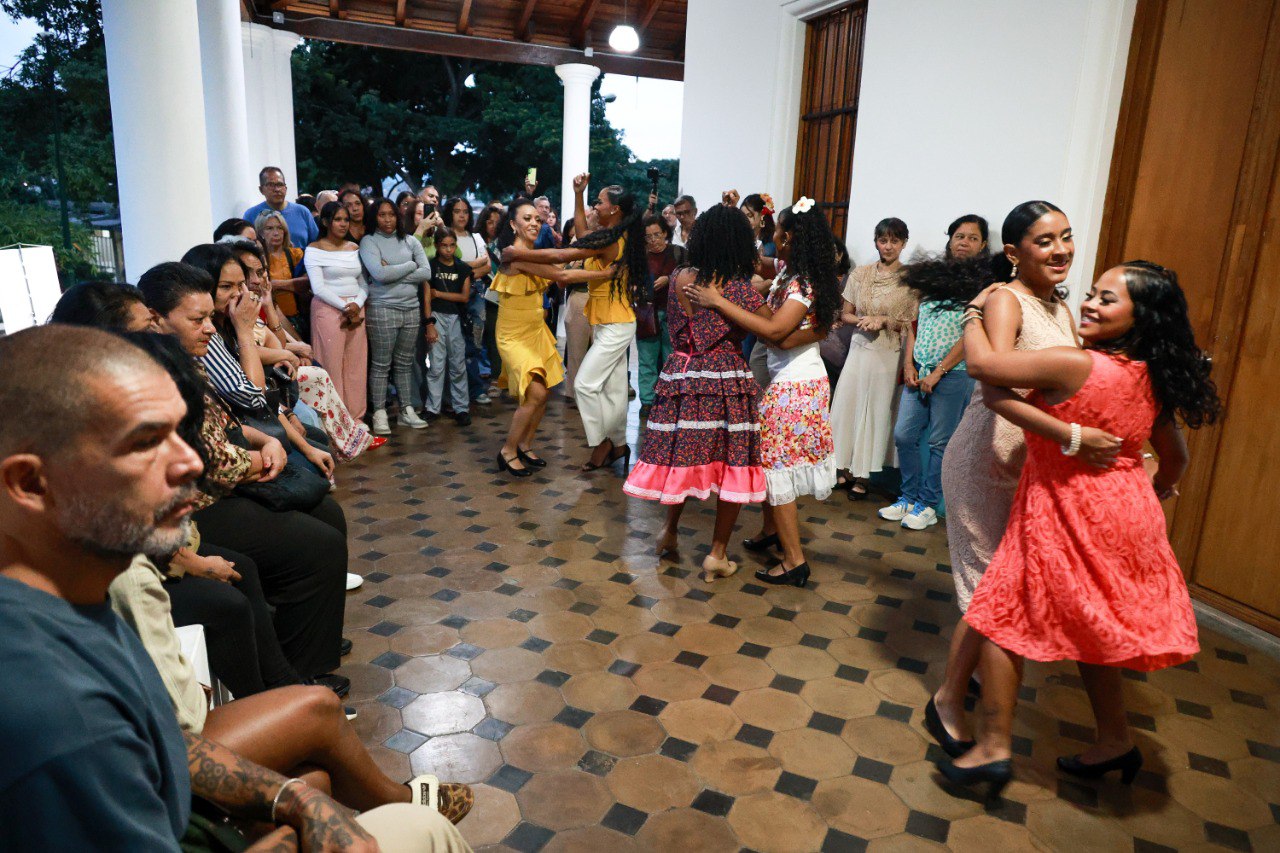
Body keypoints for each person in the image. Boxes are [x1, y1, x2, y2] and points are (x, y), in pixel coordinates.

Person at [0, 325, 472, 850]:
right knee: (428, 832)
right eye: (144, 444)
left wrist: (295, 801)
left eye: (181, 433)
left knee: (316, 780)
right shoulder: (54, 712)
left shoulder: (70, 599)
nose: (191, 463)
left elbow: (164, 746)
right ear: (31, 484)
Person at [939, 261, 1220, 798]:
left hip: (1063, 508)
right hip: (1128, 514)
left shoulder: (1075, 364)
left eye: (1107, 299)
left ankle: (993, 748)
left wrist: (974, 313)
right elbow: (1176, 460)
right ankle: (1115, 740)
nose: (1090, 304)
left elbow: (984, 367)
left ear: (1141, 316)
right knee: (1095, 630)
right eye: (1092, 294)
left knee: (1000, 618)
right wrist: (1153, 490)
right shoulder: (1149, 375)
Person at [928, 201, 1105, 756]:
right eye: (1045, 241)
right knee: (988, 590)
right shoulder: (1005, 300)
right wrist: (1072, 438)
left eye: (1066, 237)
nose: (1061, 250)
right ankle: (947, 700)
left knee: (1002, 587)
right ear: (1012, 253)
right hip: (984, 463)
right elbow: (993, 390)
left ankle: (972, 682)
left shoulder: (1060, 307)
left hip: (1028, 467)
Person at [139, 262, 352, 692]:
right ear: (156, 320)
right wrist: (262, 456)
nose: (209, 325)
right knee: (316, 544)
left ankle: (306, 648)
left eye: (244, 284)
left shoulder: (188, 357)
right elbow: (213, 455)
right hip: (202, 502)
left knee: (327, 513)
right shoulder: (154, 372)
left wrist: (271, 443)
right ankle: (295, 673)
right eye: (228, 287)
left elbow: (233, 419)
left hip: (228, 473)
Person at [685, 197, 842, 588]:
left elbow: (775, 331)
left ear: (789, 237)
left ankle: (794, 560)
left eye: (778, 231)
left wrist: (718, 301)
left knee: (776, 468)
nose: (774, 237)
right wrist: (737, 221)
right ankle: (772, 531)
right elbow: (753, 259)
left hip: (796, 385)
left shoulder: (803, 282)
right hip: (785, 379)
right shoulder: (790, 270)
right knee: (772, 459)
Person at [625, 205, 766, 581]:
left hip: (682, 374)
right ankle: (717, 553)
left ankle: (668, 530)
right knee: (733, 464)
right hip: (724, 377)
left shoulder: (678, 276)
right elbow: (772, 326)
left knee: (682, 456)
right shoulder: (737, 287)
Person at [503, 174, 650, 472]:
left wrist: (518, 253)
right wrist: (579, 195)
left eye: (599, 202)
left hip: (617, 323)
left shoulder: (610, 240)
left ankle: (601, 443)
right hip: (610, 321)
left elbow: (564, 255)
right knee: (613, 391)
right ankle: (619, 444)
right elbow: (582, 236)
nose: (596, 206)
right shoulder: (612, 235)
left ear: (614, 209)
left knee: (584, 385)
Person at [490, 198, 613, 476]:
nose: (534, 223)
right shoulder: (515, 256)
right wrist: (605, 272)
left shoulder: (533, 253)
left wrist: (578, 256)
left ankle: (524, 444)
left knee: (543, 393)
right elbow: (561, 275)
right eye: (527, 219)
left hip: (535, 331)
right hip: (514, 335)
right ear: (513, 225)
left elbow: (558, 272)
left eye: (537, 219)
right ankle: (508, 451)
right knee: (535, 393)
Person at [879, 215, 988, 529]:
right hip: (919, 370)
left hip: (954, 374)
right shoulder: (933, 276)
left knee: (940, 442)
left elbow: (972, 335)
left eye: (972, 238)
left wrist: (939, 371)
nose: (964, 242)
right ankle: (907, 497)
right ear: (950, 240)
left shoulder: (984, 284)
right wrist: (909, 364)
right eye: (959, 236)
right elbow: (915, 324)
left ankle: (927, 504)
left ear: (982, 245)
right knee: (904, 435)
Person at [829, 217, 918, 499]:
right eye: (883, 240)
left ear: (904, 243)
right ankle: (842, 468)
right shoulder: (861, 274)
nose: (888, 246)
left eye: (894, 241)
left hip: (888, 353)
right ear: (876, 242)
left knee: (876, 411)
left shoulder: (911, 280)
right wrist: (864, 320)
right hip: (859, 347)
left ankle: (864, 476)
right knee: (847, 406)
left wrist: (885, 320)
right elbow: (845, 314)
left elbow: (912, 323)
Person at [360, 197, 433, 434]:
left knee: (404, 364)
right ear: (374, 217)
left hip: (411, 309)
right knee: (381, 364)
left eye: (391, 214)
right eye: (382, 215)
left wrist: (391, 272)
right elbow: (379, 274)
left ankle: (406, 410)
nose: (387, 219)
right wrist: (410, 266)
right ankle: (379, 412)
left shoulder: (410, 241)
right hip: (382, 309)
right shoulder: (369, 241)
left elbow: (426, 272)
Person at [305, 201, 370, 421]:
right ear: (325, 222)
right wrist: (345, 307)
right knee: (330, 365)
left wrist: (357, 304)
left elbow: (364, 283)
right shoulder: (314, 249)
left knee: (356, 365)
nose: (343, 224)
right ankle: (335, 420)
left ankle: (356, 418)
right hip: (329, 309)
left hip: (356, 309)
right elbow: (318, 287)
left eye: (346, 220)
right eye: (338, 219)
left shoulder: (354, 248)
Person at [444, 197, 495, 406]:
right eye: (457, 211)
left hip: (476, 293)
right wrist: (473, 264)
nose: (462, 215)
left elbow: (487, 266)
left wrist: (462, 269)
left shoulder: (476, 237)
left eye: (465, 211)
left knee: (475, 343)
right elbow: (447, 265)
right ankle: (453, 393)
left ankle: (475, 389)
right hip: (450, 295)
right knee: (452, 344)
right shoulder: (444, 236)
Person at [425, 230, 474, 426]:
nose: (448, 249)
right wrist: (429, 323)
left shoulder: (462, 268)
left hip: (456, 318)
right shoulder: (430, 267)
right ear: (437, 246)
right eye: (444, 245)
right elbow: (427, 298)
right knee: (436, 365)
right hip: (436, 316)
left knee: (458, 365)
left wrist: (439, 293)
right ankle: (432, 407)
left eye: (452, 245)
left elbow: (464, 297)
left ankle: (461, 407)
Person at [638, 213, 687, 409]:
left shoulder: (679, 253)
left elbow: (690, 275)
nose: (653, 240)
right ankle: (647, 402)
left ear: (665, 233)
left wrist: (669, 278)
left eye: (657, 235)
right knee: (647, 359)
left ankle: (670, 399)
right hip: (647, 313)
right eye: (648, 237)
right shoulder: (640, 257)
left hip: (674, 314)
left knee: (672, 358)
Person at [255, 208, 310, 341]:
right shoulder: (258, 260)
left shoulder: (296, 254)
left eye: (280, 228)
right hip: (270, 320)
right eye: (269, 228)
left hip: (299, 318)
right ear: (260, 233)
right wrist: (291, 285)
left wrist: (274, 285)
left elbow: (306, 283)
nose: (276, 233)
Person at [244, 166, 319, 249]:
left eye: (280, 184)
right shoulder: (251, 215)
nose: (277, 189)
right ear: (261, 190)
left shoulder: (302, 212)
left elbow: (316, 243)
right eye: (271, 185)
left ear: (285, 188)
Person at [478, 203, 506, 389]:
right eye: (490, 222)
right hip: (478, 295)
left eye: (497, 222)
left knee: (496, 337)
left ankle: (498, 376)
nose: (494, 226)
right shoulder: (476, 242)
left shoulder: (505, 245)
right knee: (480, 337)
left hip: (498, 297)